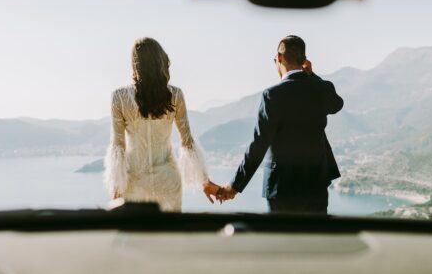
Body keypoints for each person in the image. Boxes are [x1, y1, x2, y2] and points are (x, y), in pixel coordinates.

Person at [216, 35, 344, 213]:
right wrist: (312, 75)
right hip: (316, 185)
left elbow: (259, 144)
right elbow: (337, 104)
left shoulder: (272, 95)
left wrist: (235, 186)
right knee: (314, 238)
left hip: (282, 188)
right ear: (304, 60)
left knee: (284, 238)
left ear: (279, 58)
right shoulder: (321, 88)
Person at [104, 37, 221, 211]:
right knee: (169, 236)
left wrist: (116, 189)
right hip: (168, 181)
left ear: (135, 64)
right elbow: (187, 141)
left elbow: (118, 147)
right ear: (161, 61)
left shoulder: (119, 97)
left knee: (136, 237)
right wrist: (204, 181)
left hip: (134, 182)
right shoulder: (175, 95)